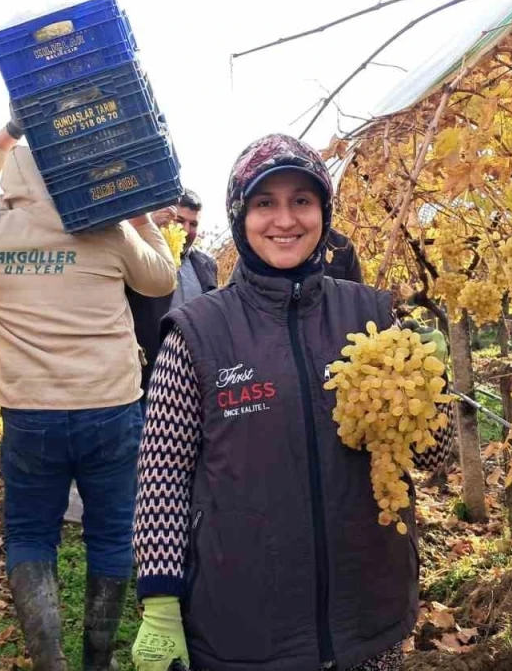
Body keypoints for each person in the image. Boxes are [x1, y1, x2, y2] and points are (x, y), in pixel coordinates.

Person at [129, 134, 448, 671]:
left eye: (301, 200)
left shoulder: (374, 317)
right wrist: (160, 599)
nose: (285, 220)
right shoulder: (198, 331)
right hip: (245, 625)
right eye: (264, 203)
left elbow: (432, 458)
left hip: (369, 612)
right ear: (241, 216)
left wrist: (429, 383)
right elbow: (163, 473)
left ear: (323, 211)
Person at [0, 122, 177, 671]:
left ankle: (50, 661)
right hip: (110, 407)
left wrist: (10, 132)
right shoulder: (108, 233)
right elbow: (162, 280)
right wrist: (138, 214)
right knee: (111, 533)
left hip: (30, 413)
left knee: (31, 532)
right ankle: (97, 661)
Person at [127, 188, 218, 402]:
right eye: (179, 220)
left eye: (193, 224)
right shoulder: (141, 256)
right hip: (147, 377)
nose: (186, 229)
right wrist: (148, 227)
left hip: (196, 376)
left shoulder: (207, 265)